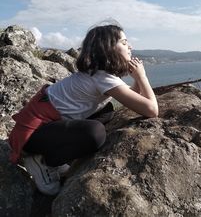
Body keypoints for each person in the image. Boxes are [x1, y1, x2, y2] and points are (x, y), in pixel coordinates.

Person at [8, 22, 159, 195]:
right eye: (124, 43)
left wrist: (138, 79)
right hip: (32, 136)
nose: (130, 46)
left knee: (106, 110)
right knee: (95, 133)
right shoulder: (102, 78)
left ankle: (54, 155)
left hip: (45, 127)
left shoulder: (98, 74)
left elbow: (131, 98)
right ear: (108, 48)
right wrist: (142, 77)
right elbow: (151, 110)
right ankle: (43, 161)